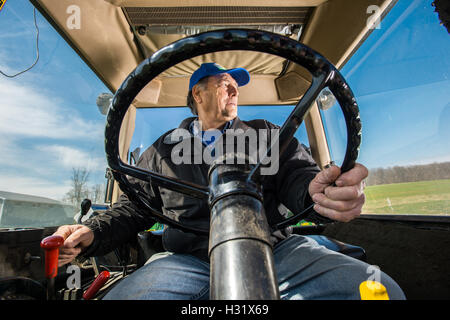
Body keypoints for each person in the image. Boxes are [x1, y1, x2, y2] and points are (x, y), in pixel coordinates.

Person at [53, 63, 405, 300]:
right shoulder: (163, 150)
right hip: (187, 260)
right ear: (198, 94)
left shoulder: (267, 135)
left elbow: (301, 179)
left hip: (275, 250)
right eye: (226, 86)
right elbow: (134, 208)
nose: (235, 92)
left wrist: (319, 193)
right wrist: (94, 233)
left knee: (376, 290)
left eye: (236, 88)